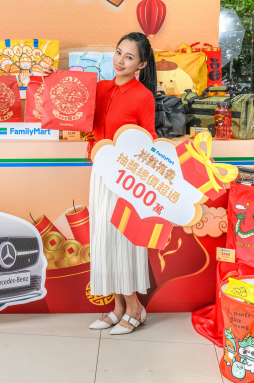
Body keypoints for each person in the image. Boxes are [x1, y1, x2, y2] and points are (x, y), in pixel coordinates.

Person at [43, 32, 158, 334]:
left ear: (141, 64)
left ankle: (135, 307)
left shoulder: (143, 96)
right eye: (118, 52)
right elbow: (71, 103)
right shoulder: (100, 88)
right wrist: (53, 78)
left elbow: (149, 141)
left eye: (129, 57)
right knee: (105, 241)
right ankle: (118, 308)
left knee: (122, 242)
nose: (120, 61)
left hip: (127, 180)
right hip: (100, 174)